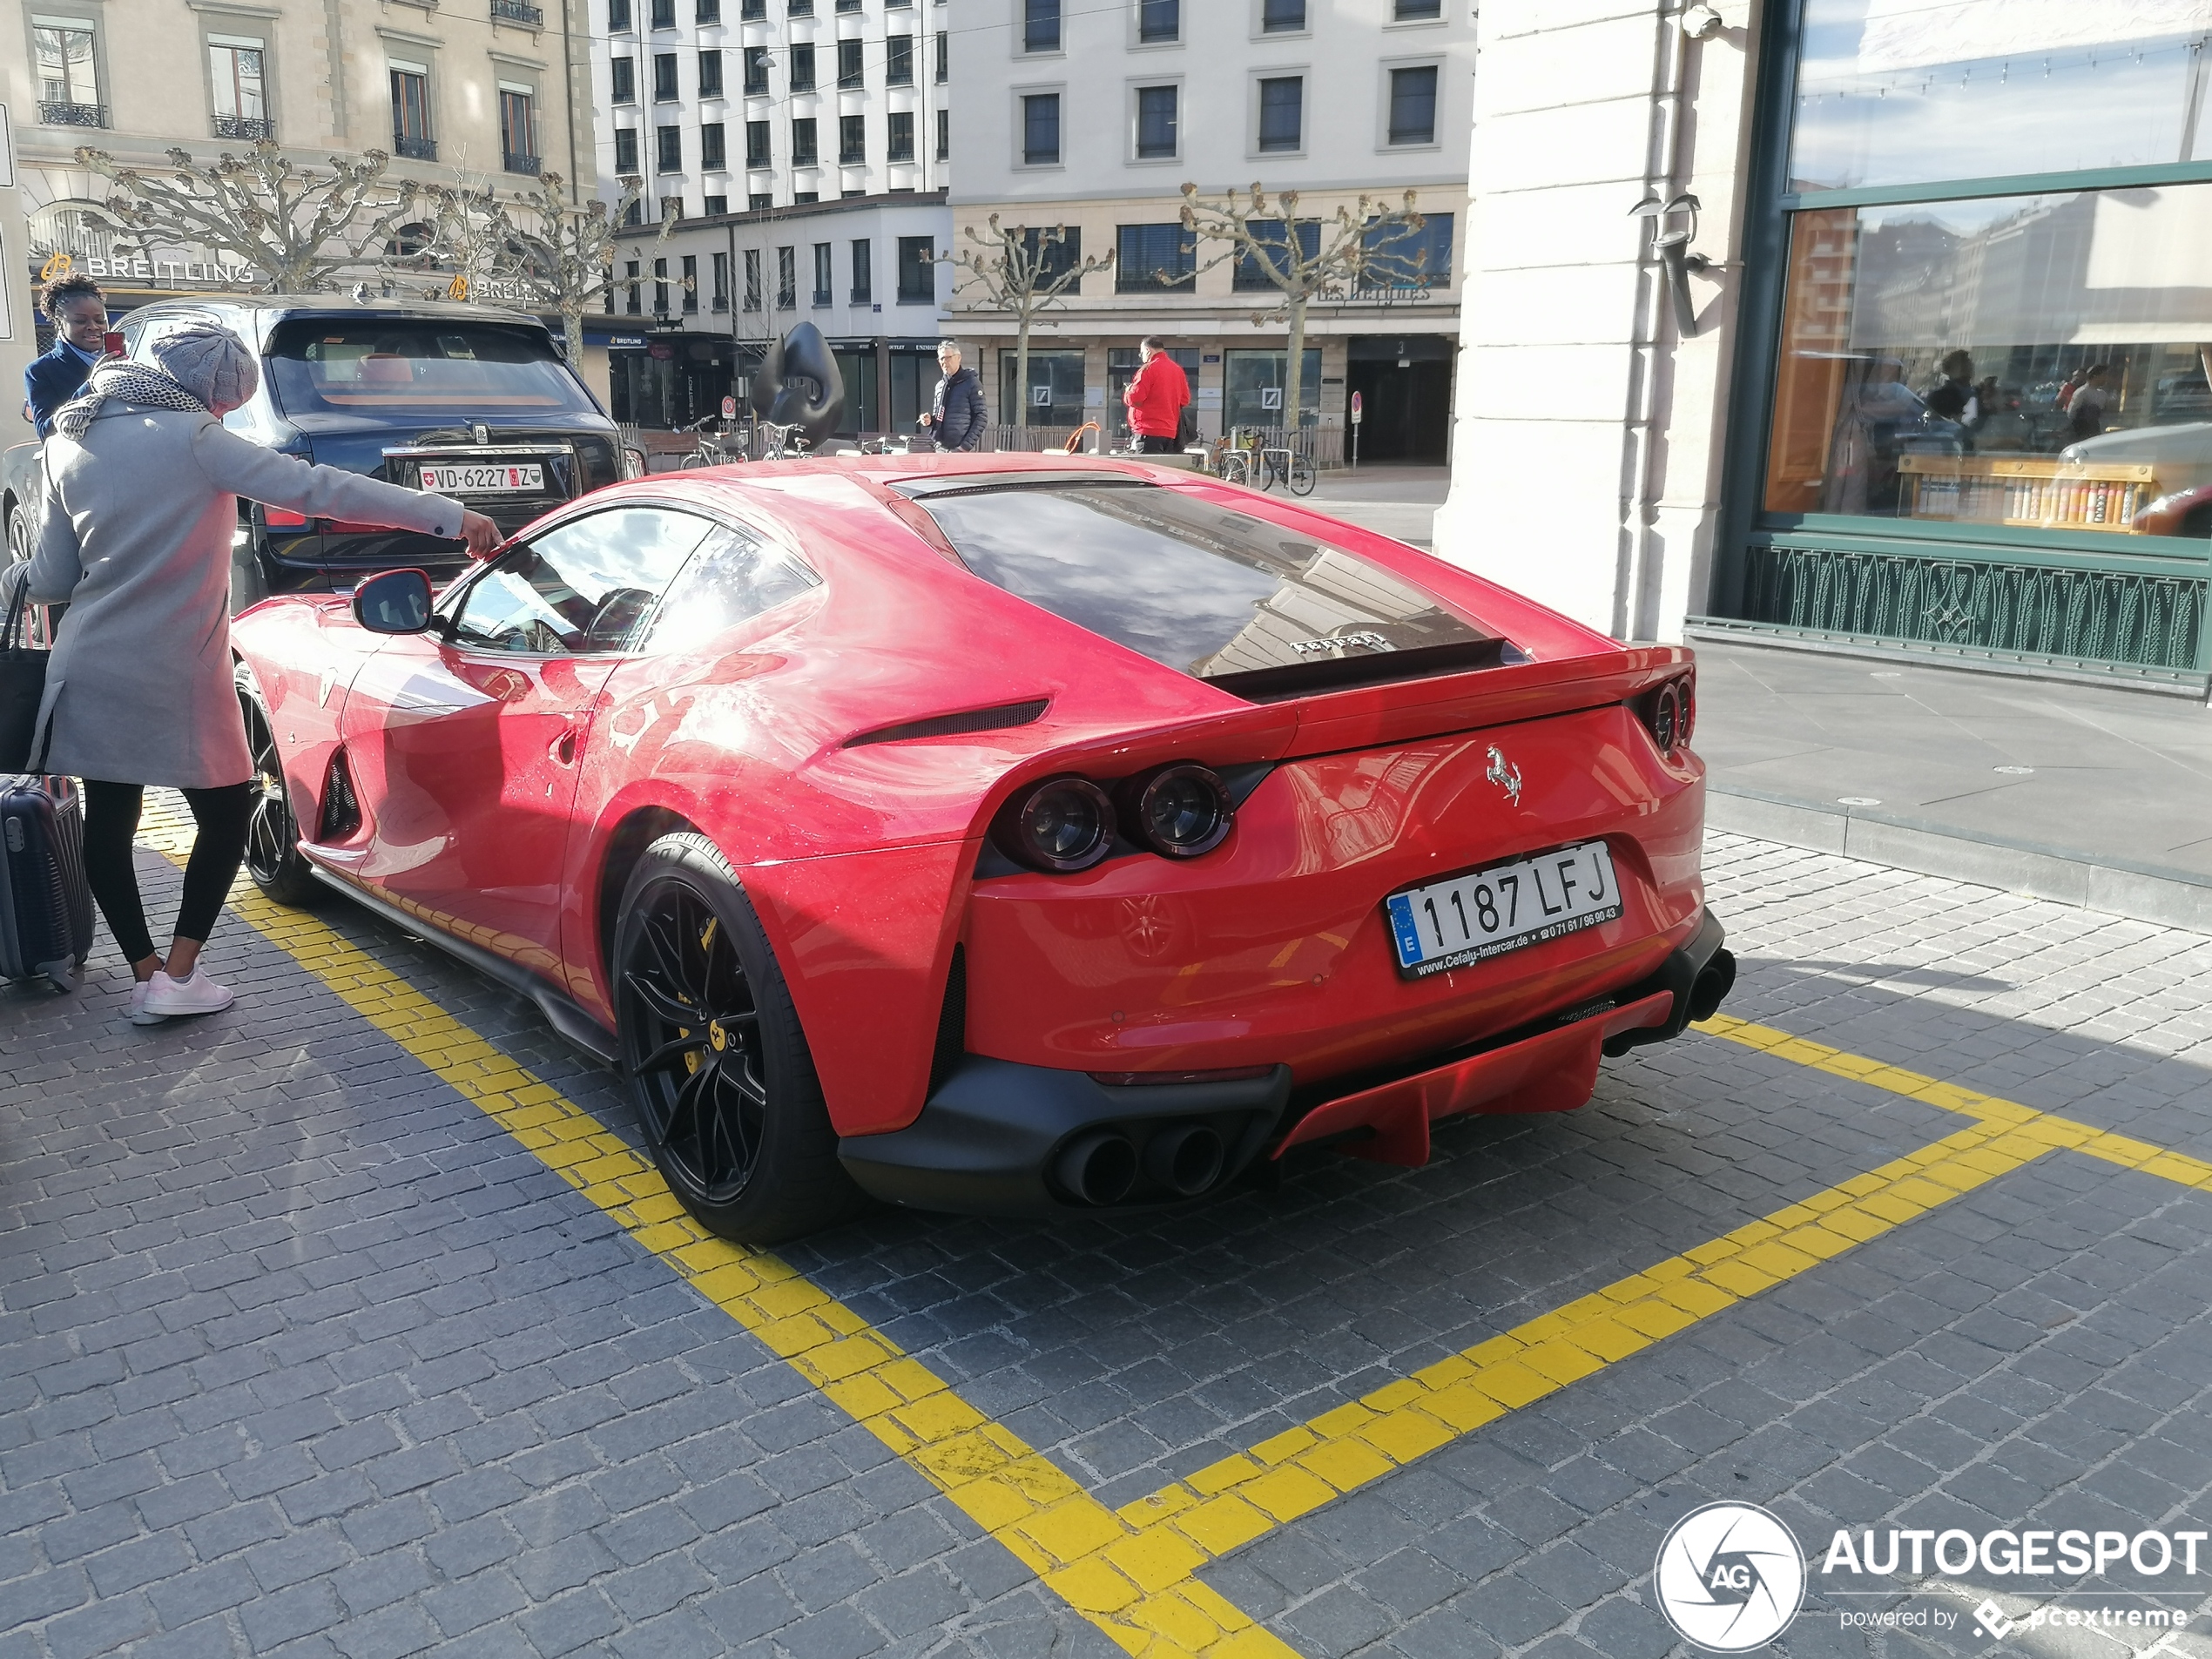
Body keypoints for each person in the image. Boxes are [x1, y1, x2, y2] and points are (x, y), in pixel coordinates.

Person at [0, 325, 499, 1024]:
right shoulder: (200, 439)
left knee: (111, 818)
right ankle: (178, 974)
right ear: (214, 395)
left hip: (90, 664)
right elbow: (326, 490)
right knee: (228, 809)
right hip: (180, 666)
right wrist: (453, 517)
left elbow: (51, 579)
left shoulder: (66, 438)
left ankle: (145, 971)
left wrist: (11, 577)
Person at [23, 271, 109, 438]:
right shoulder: (40, 371)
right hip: (83, 460)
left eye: (100, 320)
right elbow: (45, 432)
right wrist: (95, 382)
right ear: (59, 322)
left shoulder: (128, 360)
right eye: (80, 321)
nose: (93, 327)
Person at [1123, 337, 1190, 455]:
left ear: (1148, 351)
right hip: (1170, 431)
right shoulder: (1177, 370)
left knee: (1147, 471)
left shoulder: (1148, 369)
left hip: (1148, 430)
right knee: (1163, 471)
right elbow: (1185, 400)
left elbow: (1135, 398)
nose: (1142, 356)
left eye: (1142, 353)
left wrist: (1128, 391)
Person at [917, 341, 987, 451]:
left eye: (948, 357)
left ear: (958, 358)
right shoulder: (940, 386)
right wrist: (930, 420)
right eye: (941, 359)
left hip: (961, 449)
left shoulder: (972, 383)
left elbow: (981, 417)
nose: (944, 362)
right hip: (940, 447)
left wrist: (964, 447)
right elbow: (939, 417)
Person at [2067, 363, 2113, 442]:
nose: (2106, 378)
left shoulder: (2103, 394)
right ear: (2095, 376)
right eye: (2104, 375)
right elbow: (2071, 413)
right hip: (2081, 433)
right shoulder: (2082, 392)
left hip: (2096, 433)